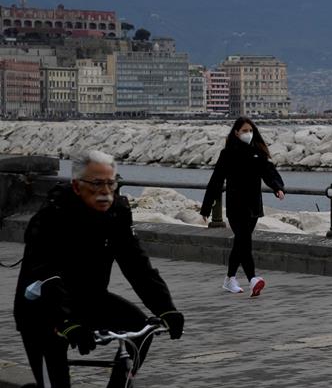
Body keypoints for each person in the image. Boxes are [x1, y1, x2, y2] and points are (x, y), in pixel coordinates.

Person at [13, 150, 184, 388]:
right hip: (43, 307)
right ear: (76, 186)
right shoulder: (52, 216)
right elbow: (45, 273)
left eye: (110, 183)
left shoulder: (117, 214)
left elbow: (137, 265)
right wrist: (67, 322)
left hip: (90, 299)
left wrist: (166, 308)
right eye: (96, 184)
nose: (105, 191)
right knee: (55, 378)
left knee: (140, 328)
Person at [201, 116, 285, 297]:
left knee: (240, 243)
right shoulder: (228, 153)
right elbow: (216, 181)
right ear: (236, 132)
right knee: (244, 240)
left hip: (254, 206)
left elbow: (269, 173)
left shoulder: (258, 152)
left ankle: (230, 279)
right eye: (245, 131)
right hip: (235, 206)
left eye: (250, 130)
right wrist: (206, 207)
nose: (248, 134)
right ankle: (252, 278)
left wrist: (277, 188)